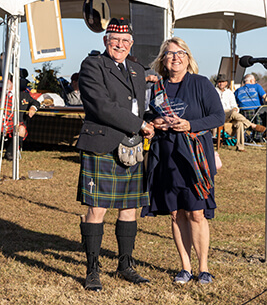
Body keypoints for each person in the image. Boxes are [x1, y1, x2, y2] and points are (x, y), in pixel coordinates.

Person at [76, 17, 154, 291]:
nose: (119, 45)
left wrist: (158, 121)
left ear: (131, 43)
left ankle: (125, 265)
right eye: (114, 40)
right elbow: (101, 106)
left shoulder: (136, 69)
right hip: (103, 144)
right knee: (97, 208)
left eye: (125, 41)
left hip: (131, 146)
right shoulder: (93, 65)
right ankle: (92, 270)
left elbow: (141, 106)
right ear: (105, 41)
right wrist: (141, 125)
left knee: (129, 208)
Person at [141, 37, 225, 284]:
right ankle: (185, 268)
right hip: (166, 156)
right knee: (176, 213)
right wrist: (153, 121)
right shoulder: (158, 88)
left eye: (180, 53)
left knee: (196, 213)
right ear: (162, 61)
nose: (175, 57)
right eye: (169, 54)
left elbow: (218, 116)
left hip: (194, 159)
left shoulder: (200, 84)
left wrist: (190, 125)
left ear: (188, 58)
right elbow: (148, 113)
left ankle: (204, 268)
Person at [215, 74, 266, 151]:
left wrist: (235, 108)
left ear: (226, 83)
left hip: (238, 114)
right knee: (232, 113)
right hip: (220, 114)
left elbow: (235, 105)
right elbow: (265, 97)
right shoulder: (213, 92)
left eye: (223, 81)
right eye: (219, 82)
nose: (221, 83)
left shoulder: (231, 92)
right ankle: (252, 125)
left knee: (240, 123)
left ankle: (240, 147)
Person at [2, 75, 40, 161]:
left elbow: (36, 102)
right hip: (2, 122)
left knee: (21, 129)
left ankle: (10, 153)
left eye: (7, 80)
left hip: (15, 122)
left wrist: (33, 108)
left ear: (12, 82)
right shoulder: (1, 94)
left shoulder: (23, 95)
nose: (4, 82)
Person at [235, 74, 267, 142]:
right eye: (254, 81)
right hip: (256, 115)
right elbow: (265, 98)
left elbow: (234, 102)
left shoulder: (238, 90)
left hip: (243, 116)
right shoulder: (257, 86)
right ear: (251, 80)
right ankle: (259, 136)